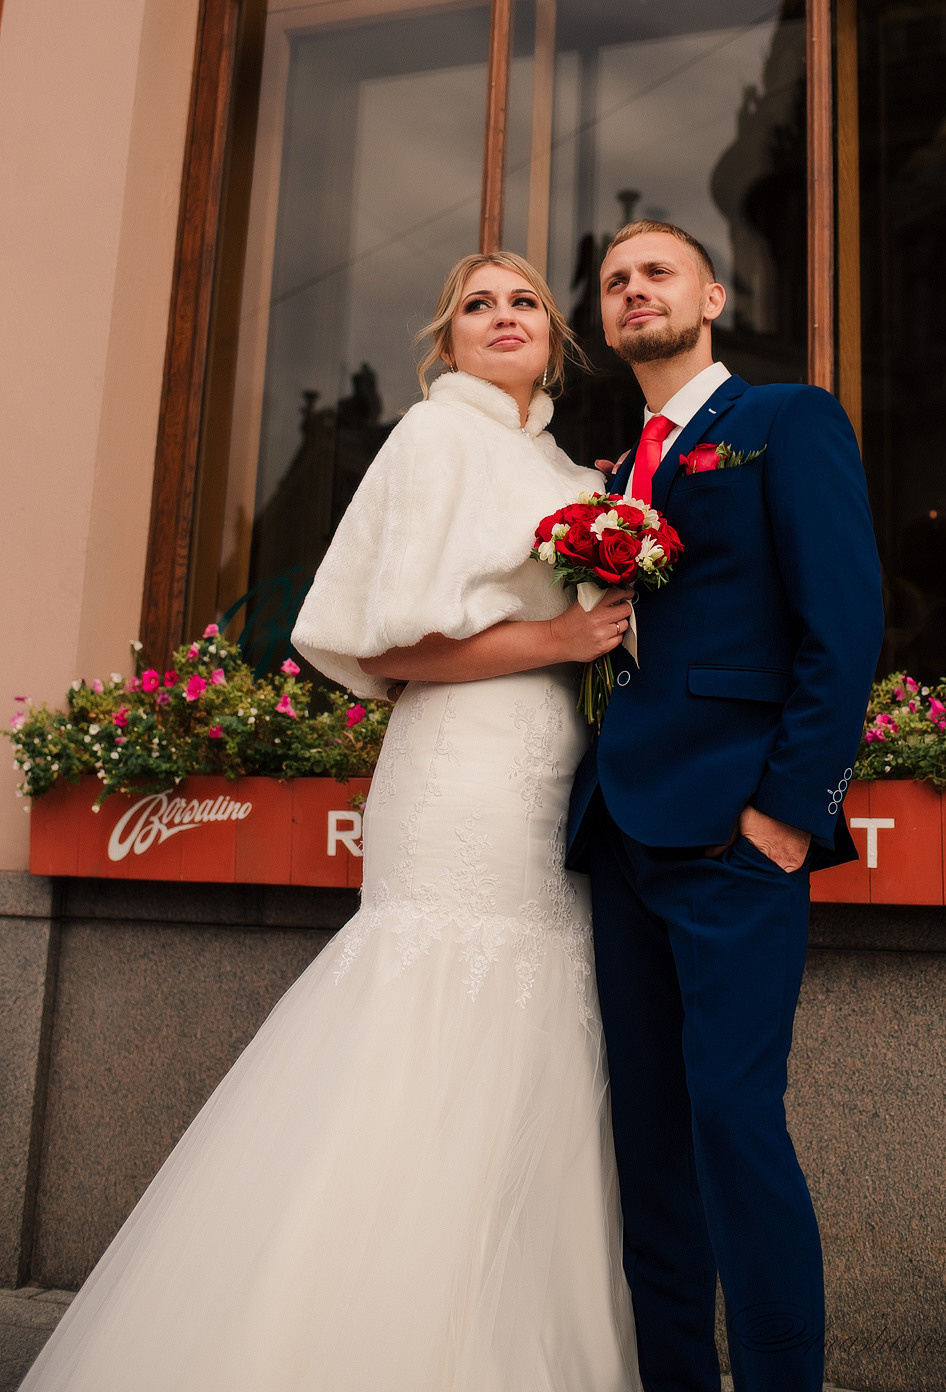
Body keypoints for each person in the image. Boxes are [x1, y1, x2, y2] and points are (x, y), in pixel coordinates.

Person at [22, 252, 640, 1392]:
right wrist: (555, 643)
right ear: (444, 342)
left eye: (523, 305)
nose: (502, 319)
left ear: (554, 342)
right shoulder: (431, 439)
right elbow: (380, 644)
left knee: (535, 1023)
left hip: (551, 774)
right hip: (460, 771)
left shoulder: (560, 466)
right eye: (475, 306)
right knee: (438, 1003)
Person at [568, 219, 883, 1392]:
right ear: (601, 321)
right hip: (616, 833)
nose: (632, 291)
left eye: (655, 273)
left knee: (734, 1127)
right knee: (648, 1146)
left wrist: (787, 816)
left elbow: (841, 625)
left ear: (709, 294)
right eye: (612, 282)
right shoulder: (610, 471)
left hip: (734, 836)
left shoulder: (781, 422)